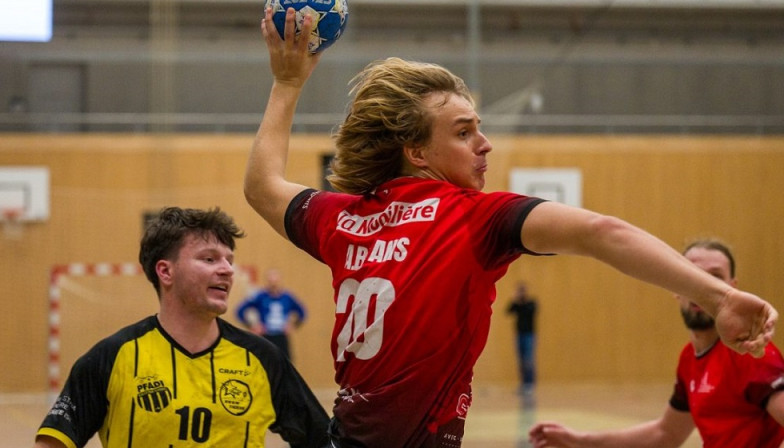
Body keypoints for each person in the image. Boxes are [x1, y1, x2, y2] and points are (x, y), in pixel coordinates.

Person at [244, 7, 777, 447]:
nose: (486, 144)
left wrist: (287, 82)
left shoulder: (344, 217)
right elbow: (602, 232)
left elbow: (263, 187)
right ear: (417, 152)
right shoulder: (473, 217)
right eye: (464, 132)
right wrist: (719, 297)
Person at [33, 207, 329, 448]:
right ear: (165, 271)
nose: (227, 269)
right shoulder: (110, 358)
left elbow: (320, 439)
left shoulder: (263, 359)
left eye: (229, 260)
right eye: (209, 258)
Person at [528, 239, 784, 448]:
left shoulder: (750, 352)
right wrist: (578, 440)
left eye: (715, 277)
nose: (704, 289)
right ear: (677, 287)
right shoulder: (690, 358)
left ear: (733, 288)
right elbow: (665, 434)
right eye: (695, 277)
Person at [235, 267, 307, 360]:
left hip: (281, 336)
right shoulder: (260, 296)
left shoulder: (287, 297)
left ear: (279, 281)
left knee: (285, 362)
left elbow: (302, 312)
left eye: (275, 281)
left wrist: (293, 325)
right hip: (266, 336)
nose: (273, 284)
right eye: (271, 281)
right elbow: (240, 311)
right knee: (265, 361)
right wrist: (252, 325)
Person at [507, 281, 538, 398]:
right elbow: (509, 311)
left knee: (528, 359)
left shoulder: (531, 303)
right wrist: (514, 299)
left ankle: (530, 384)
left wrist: (521, 303)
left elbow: (529, 312)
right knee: (521, 360)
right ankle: (523, 384)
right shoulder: (517, 305)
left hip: (529, 335)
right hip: (519, 335)